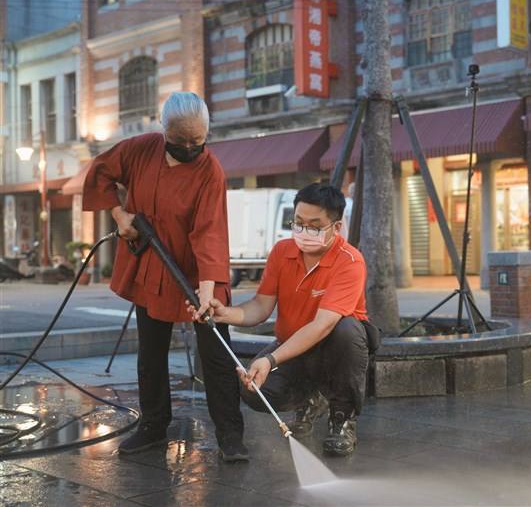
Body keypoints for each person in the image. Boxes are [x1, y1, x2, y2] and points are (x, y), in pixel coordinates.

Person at [82, 92, 247, 462]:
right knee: (151, 352)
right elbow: (101, 171)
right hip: (154, 265)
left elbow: (209, 233)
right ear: (163, 130)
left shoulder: (210, 171)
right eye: (181, 140)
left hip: (199, 272)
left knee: (217, 355)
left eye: (198, 140)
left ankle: (231, 436)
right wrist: (119, 215)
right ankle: (153, 427)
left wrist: (206, 293)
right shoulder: (140, 149)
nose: (190, 147)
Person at [189, 182, 370, 456]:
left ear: (336, 226)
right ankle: (311, 400)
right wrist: (226, 313)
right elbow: (261, 306)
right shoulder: (282, 252)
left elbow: (323, 325)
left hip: (334, 350)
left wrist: (271, 359)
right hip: (292, 347)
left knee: (347, 330)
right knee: (253, 390)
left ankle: (342, 418)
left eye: (314, 225)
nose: (304, 231)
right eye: (298, 222)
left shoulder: (350, 261)